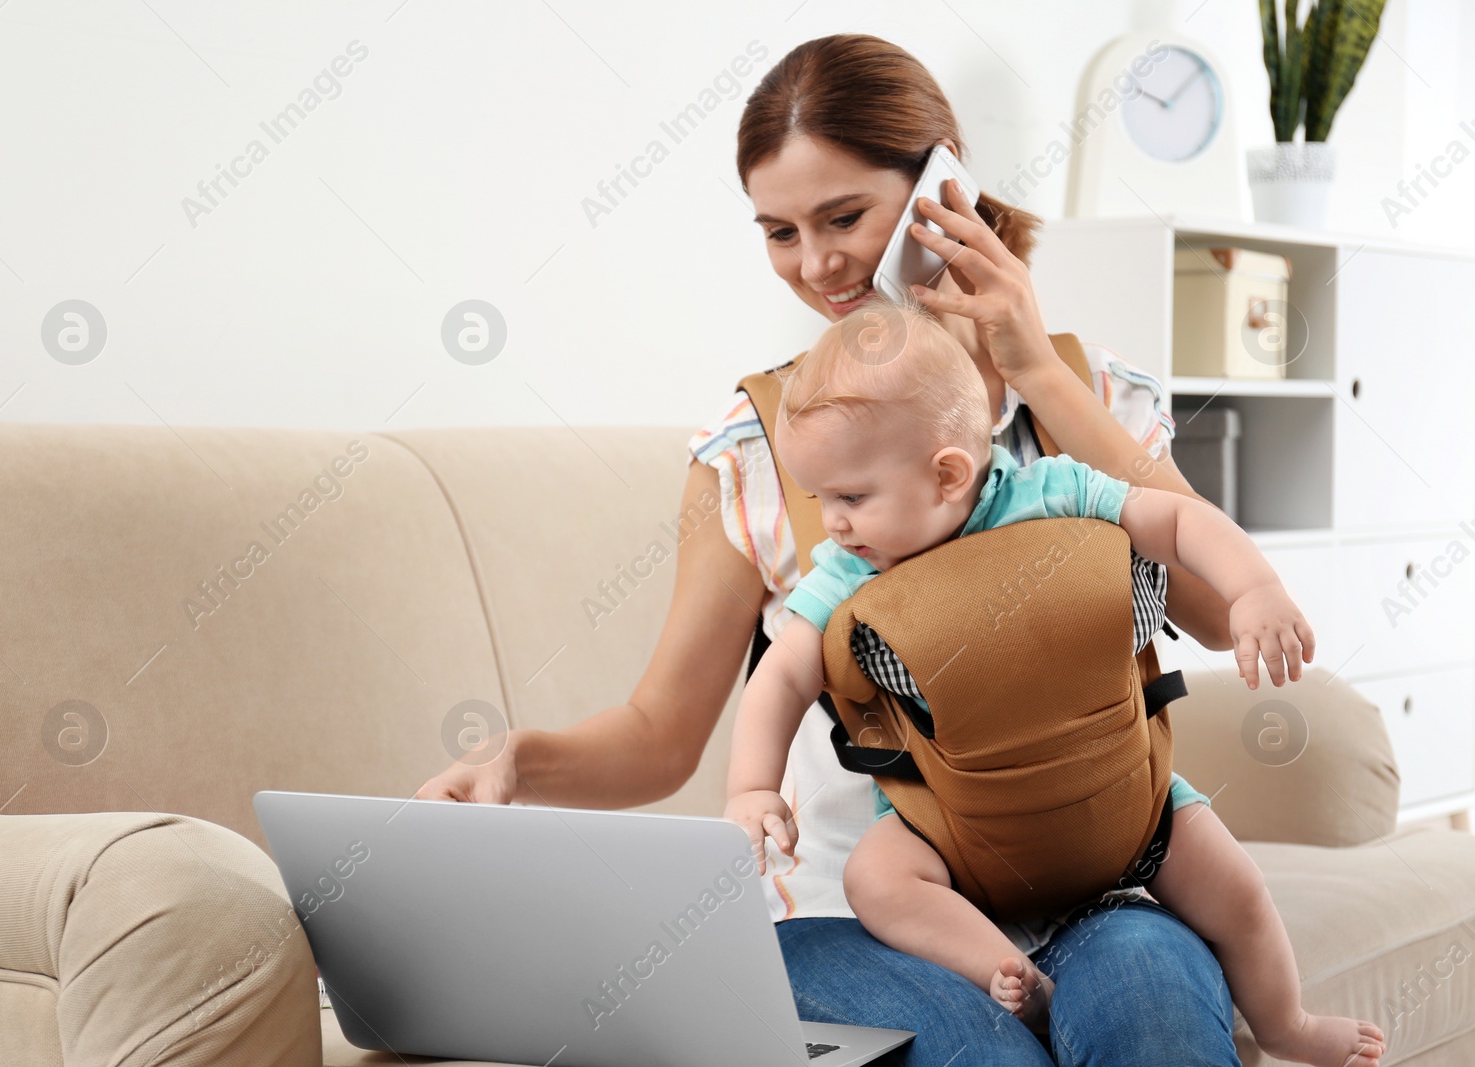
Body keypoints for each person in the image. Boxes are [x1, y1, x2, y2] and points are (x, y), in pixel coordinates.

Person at [420, 33, 1252, 1065]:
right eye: (778, 230)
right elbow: (663, 730)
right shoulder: (760, 446)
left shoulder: (1088, 398)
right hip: (863, 909)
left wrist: (1034, 368)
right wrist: (519, 759)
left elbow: (1217, 615)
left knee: (1157, 1030)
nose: (814, 265)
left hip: (1102, 879)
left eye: (843, 217)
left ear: (939, 188)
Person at [723, 296, 1386, 1066]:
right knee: (879, 878)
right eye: (819, 501)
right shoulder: (847, 573)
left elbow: (1177, 521)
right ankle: (1007, 970)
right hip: (949, 828)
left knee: (1234, 886)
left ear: (947, 473)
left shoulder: (1051, 493)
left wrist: (1255, 588)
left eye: (852, 497)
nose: (833, 524)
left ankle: (1288, 1023)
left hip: (1122, 810)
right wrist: (750, 787)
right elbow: (781, 676)